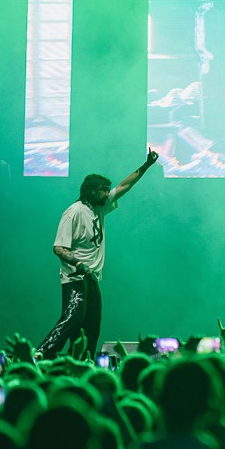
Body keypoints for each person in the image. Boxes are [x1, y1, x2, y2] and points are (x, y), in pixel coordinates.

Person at [37, 149, 159, 360]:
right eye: (103, 190)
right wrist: (79, 264)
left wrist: (146, 165)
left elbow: (124, 186)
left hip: (92, 277)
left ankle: (82, 361)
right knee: (73, 318)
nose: (107, 193)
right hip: (75, 278)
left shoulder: (98, 208)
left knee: (91, 325)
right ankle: (41, 353)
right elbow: (58, 248)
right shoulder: (74, 212)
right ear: (91, 191)